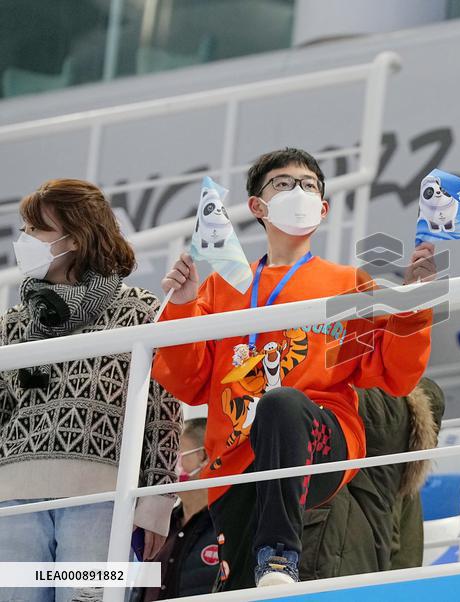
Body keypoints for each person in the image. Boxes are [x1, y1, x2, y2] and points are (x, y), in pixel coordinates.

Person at [151, 148, 437, 590]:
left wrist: (414, 308)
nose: (298, 192)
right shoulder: (222, 287)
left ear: (323, 208)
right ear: (257, 206)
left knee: (282, 403)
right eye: (283, 184)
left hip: (321, 437)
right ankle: (268, 567)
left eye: (309, 185)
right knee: (240, 587)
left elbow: (396, 376)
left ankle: (280, 556)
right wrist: (185, 305)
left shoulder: (347, 284)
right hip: (235, 455)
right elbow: (188, 383)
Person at [0, 179, 181, 602]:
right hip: (11, 499)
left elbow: (162, 409)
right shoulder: (12, 322)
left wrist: (155, 503)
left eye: (37, 230)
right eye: (24, 229)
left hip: (101, 497)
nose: (24, 240)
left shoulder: (136, 310)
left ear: (77, 237)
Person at [299, 377, 444, 578]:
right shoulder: (402, 452)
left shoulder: (384, 410)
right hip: (359, 568)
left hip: (329, 564)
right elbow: (406, 552)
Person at [137, 418, 217, 601]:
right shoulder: (161, 526)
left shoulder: (228, 526)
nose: (167, 465)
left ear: (203, 457)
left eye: (174, 455)